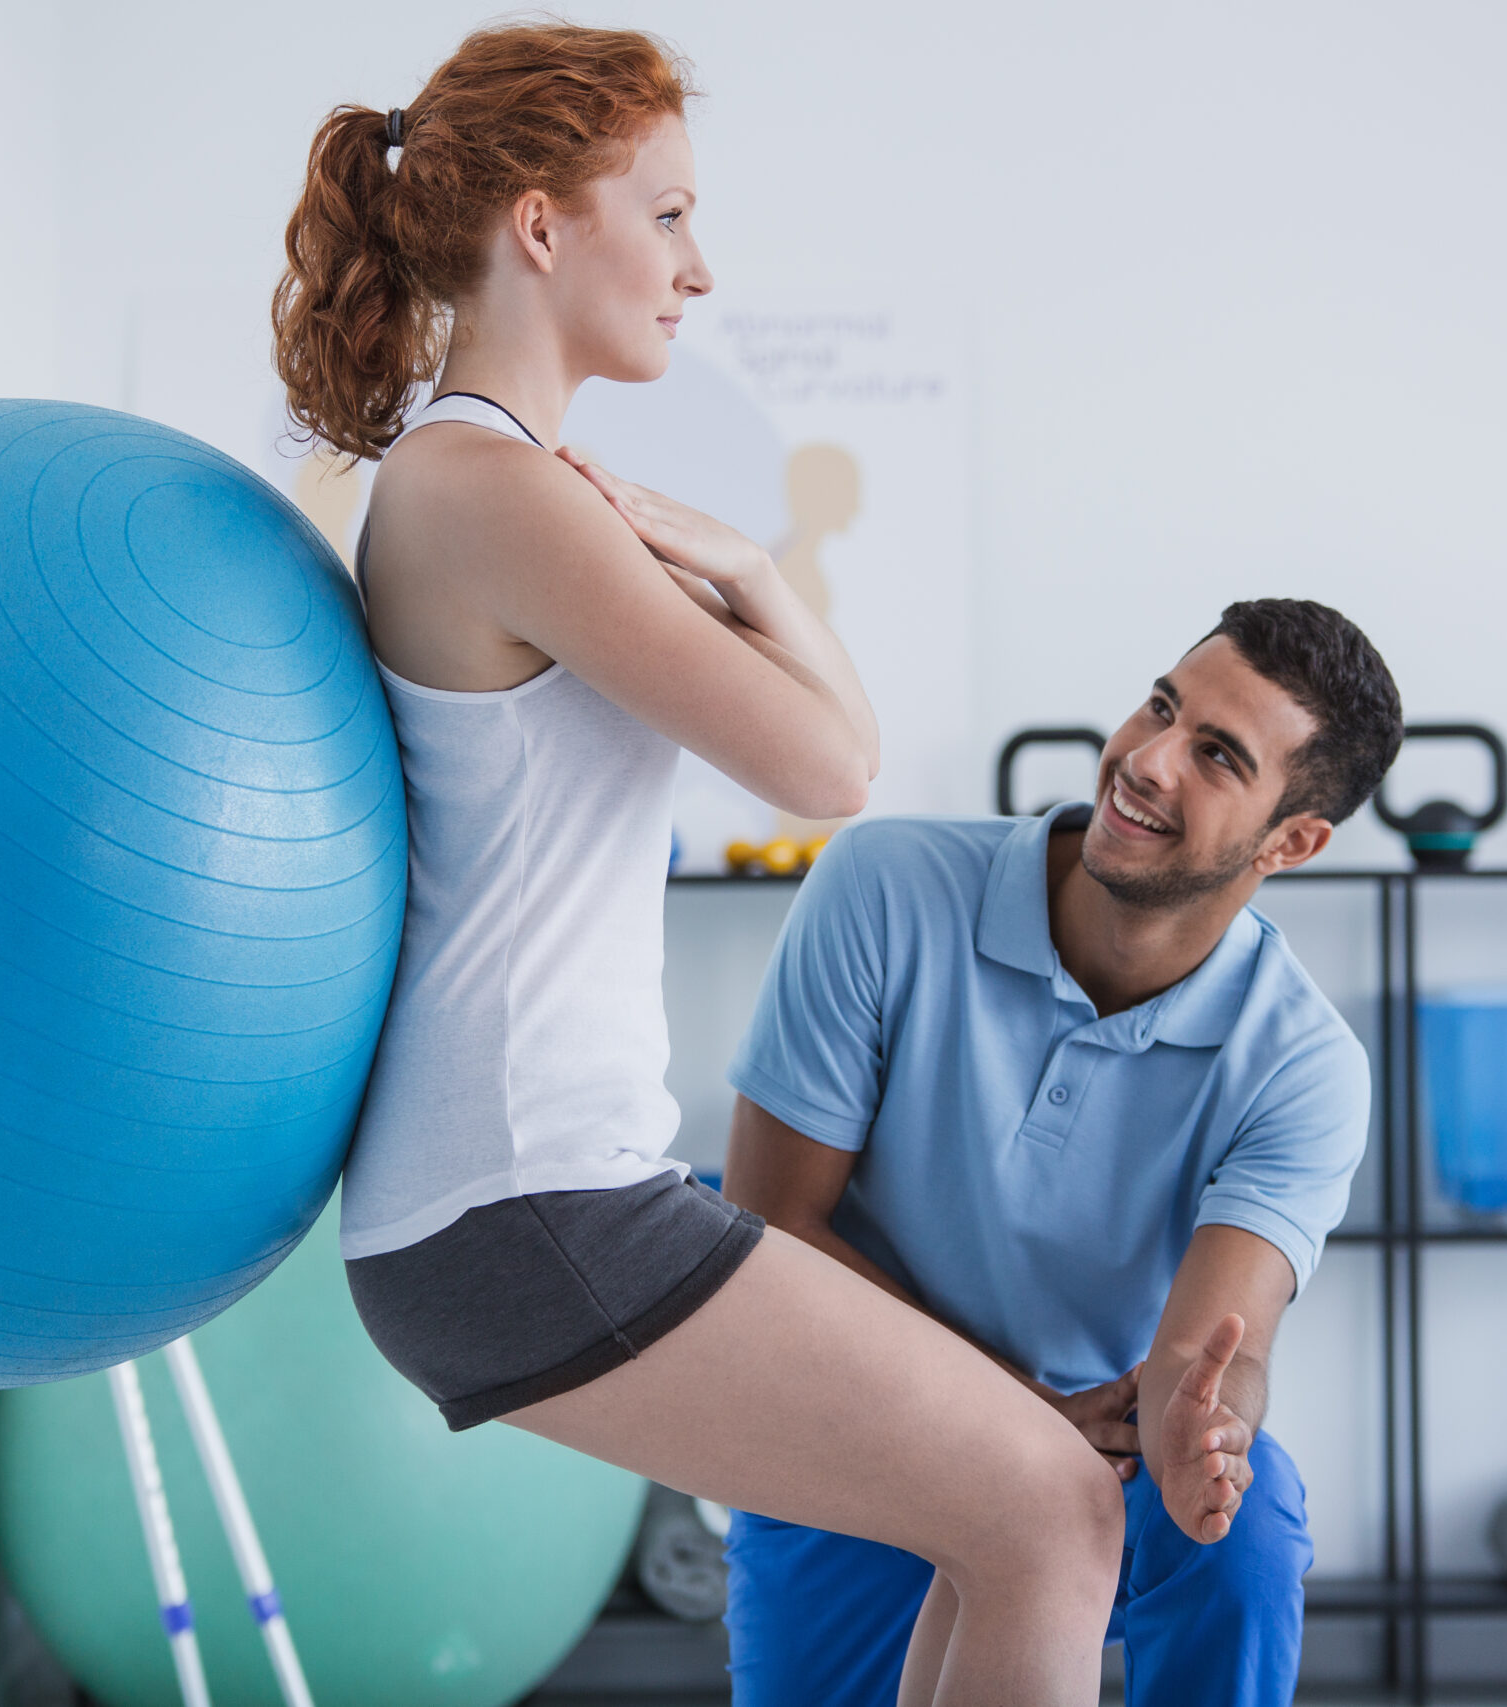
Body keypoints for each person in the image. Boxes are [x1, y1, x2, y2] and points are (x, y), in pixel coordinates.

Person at [271, 26, 1132, 1705]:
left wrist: (738, 556)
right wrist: (746, 571)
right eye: (663, 215)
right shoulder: (483, 486)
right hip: (524, 1199)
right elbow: (831, 764)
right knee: (1051, 1505)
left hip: (518, 1190)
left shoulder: (491, 481)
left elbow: (833, 756)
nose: (698, 267)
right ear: (541, 223)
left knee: (1021, 1511)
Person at [721, 600, 1405, 1707]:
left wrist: (1205, 1430)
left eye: (1216, 756)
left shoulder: (1304, 1065)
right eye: (1161, 706)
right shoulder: (883, 888)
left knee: (1246, 1522)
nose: (1145, 760)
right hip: (850, 1421)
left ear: (1291, 842)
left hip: (1101, 1454)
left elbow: (1212, 1349)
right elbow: (769, 1227)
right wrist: (1012, 1413)